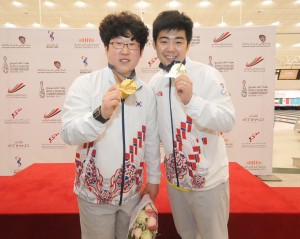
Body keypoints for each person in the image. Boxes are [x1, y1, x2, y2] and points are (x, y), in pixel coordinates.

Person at [61, 11, 161, 239]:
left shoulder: (146, 92)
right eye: (117, 43)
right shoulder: (85, 85)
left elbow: (152, 139)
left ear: (141, 51)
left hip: (133, 193)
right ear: (106, 47)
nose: (125, 51)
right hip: (94, 195)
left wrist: (154, 179)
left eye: (132, 44)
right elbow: (68, 133)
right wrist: (100, 114)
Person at [149, 10, 235, 239]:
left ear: (188, 44)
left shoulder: (207, 75)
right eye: (164, 41)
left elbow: (227, 120)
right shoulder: (155, 82)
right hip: (176, 185)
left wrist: (192, 101)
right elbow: (154, 134)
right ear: (154, 45)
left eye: (178, 41)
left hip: (209, 183)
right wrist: (153, 176)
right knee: (186, 235)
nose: (171, 48)